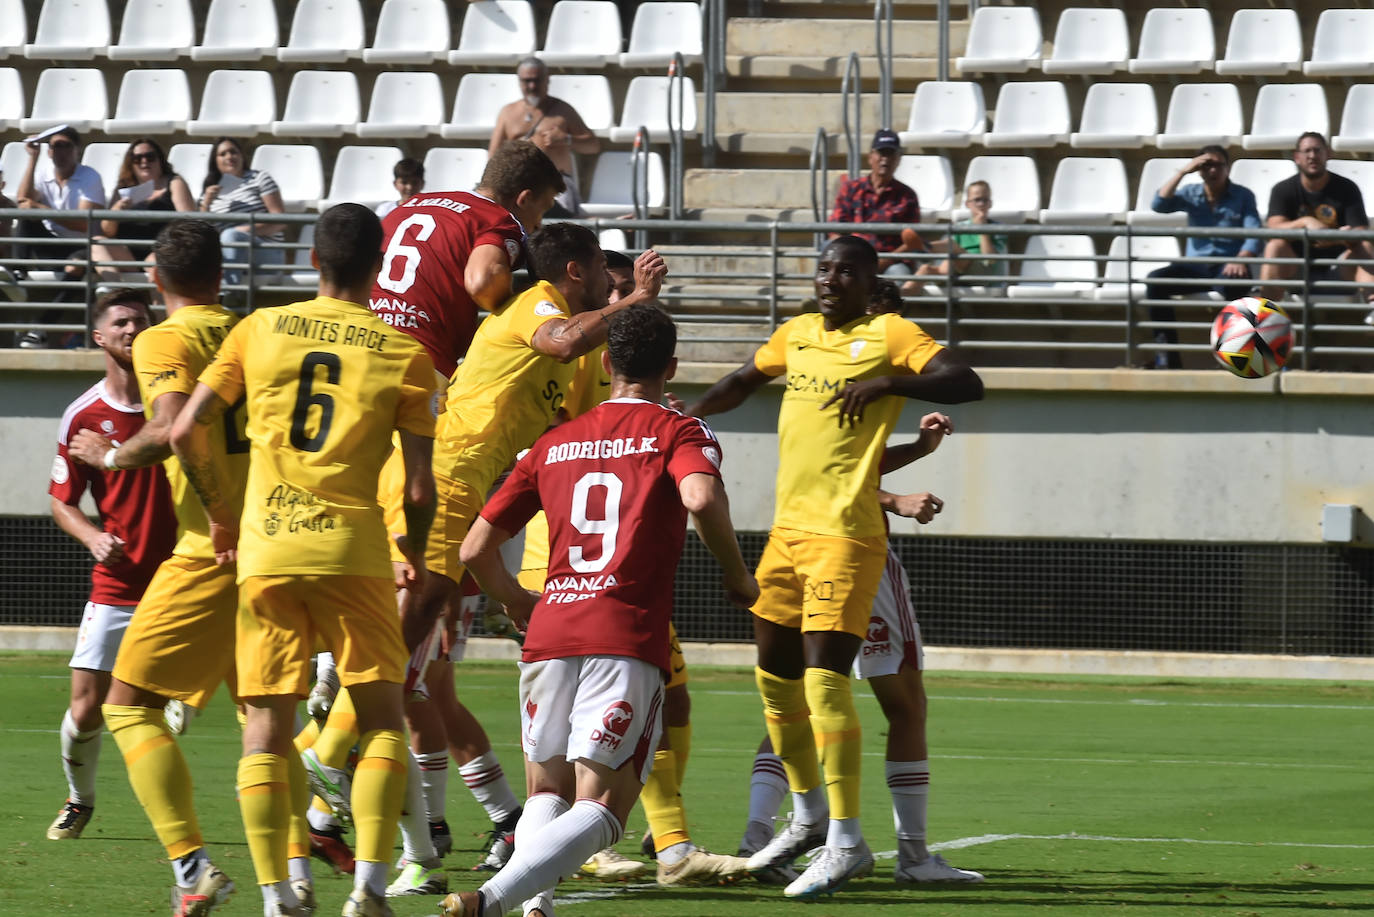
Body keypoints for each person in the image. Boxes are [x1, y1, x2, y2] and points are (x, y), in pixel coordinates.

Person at [683, 234, 983, 898]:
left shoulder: (891, 332)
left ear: (868, 279)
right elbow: (742, 380)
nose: (830, 278)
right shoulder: (794, 334)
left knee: (825, 684)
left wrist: (887, 381)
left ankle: (847, 840)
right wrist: (686, 414)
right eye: (824, 267)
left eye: (845, 270)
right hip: (785, 533)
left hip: (847, 538)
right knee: (775, 683)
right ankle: (811, 815)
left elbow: (967, 380)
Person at [439, 303, 759, 917]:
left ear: (606, 362)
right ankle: (496, 900)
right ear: (671, 366)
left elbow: (474, 547)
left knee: (545, 791)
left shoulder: (552, 442)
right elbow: (698, 494)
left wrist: (512, 599)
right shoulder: (679, 430)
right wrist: (736, 573)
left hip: (552, 626)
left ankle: (536, 909)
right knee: (606, 808)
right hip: (625, 631)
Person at [170, 202, 439, 917]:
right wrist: (410, 545)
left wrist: (223, 513)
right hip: (355, 552)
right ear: (379, 269)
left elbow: (185, 431)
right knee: (381, 719)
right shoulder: (404, 351)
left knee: (266, 726)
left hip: (266, 547)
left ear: (313, 260)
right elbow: (417, 486)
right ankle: (369, 890)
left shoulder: (258, 329)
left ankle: (276, 894)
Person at [364, 139, 565, 882]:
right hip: (432, 439)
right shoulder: (503, 246)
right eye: (541, 207)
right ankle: (468, 826)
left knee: (418, 680)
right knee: (415, 678)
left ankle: (434, 835)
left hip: (397, 416)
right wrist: (496, 306)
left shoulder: (413, 207)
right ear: (525, 198)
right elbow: (484, 281)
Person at [64, 221, 250, 917]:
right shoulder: (253, 331)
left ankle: (193, 865)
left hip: (210, 546)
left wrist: (109, 456)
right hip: (280, 542)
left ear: (155, 278)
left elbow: (175, 427)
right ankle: (311, 878)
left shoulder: (162, 339)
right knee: (267, 720)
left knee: (124, 704)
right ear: (222, 274)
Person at [46, 287, 176, 842]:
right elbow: (60, 500)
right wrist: (93, 537)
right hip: (119, 582)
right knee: (85, 710)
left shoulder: (174, 404)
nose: (132, 330)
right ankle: (80, 801)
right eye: (121, 322)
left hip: (183, 578)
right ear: (99, 337)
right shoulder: (83, 414)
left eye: (141, 321)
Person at [1146, 146, 1262, 369]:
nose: (1212, 170)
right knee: (1155, 282)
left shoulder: (1243, 195)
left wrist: (1241, 258)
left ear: (1227, 168)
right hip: (1195, 266)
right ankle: (1167, 358)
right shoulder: (1191, 192)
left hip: (1227, 266)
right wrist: (1183, 171)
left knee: (1236, 288)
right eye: (1206, 165)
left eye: (1218, 165)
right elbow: (1159, 204)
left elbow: (1254, 232)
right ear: (1199, 169)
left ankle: (1231, 358)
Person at [14, 125, 107, 347]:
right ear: (49, 151)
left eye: (66, 146)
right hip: (54, 244)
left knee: (75, 266)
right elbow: (21, 202)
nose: (60, 151)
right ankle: (18, 272)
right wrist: (32, 159)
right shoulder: (44, 174)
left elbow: (82, 223)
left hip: (84, 245)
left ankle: (42, 327)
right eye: (55, 146)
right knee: (26, 216)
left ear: (77, 150)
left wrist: (41, 208)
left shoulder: (89, 177)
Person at [1258, 132, 1374, 305]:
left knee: (1364, 245)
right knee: (1275, 245)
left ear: (1328, 154)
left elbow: (1361, 232)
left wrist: (1333, 237)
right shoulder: (1283, 189)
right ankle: (1263, 313)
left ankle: (1373, 305)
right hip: (1296, 267)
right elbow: (1274, 227)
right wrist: (1305, 223)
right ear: (1297, 157)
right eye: (1307, 151)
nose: (1312, 156)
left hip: (1339, 267)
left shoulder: (1347, 188)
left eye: (1317, 150)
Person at [488, 57, 601, 218]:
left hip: (555, 184)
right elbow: (494, 155)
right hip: (518, 184)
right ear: (519, 82)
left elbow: (593, 145)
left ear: (547, 80)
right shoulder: (508, 112)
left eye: (537, 80)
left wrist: (566, 139)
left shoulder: (563, 111)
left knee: (559, 225)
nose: (532, 86)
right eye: (527, 81)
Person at [89, 138, 197, 283]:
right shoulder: (123, 188)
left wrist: (166, 248)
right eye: (137, 158)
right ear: (131, 163)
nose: (144, 162)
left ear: (160, 160)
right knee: (96, 242)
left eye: (150, 157)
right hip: (128, 253)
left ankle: (157, 305)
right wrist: (116, 211)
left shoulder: (174, 182)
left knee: (157, 267)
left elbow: (188, 222)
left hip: (162, 250)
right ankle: (113, 290)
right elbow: (108, 232)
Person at [828, 129, 923, 276]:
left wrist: (883, 262)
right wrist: (850, 257)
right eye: (881, 153)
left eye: (890, 154)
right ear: (870, 157)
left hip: (891, 261)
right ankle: (824, 298)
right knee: (828, 252)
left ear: (898, 160)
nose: (885, 159)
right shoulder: (851, 189)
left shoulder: (907, 196)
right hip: (852, 256)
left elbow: (911, 241)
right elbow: (835, 230)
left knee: (900, 274)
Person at [199, 136, 287, 288]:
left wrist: (243, 231)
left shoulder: (259, 178)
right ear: (215, 161)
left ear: (241, 156)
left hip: (266, 252)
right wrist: (206, 203)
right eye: (223, 154)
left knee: (231, 236)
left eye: (234, 152)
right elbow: (202, 231)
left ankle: (230, 296)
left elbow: (280, 221)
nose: (229, 157)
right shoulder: (210, 191)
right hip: (227, 254)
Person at [905, 180, 1008, 290]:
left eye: (985, 200)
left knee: (952, 247)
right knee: (925, 269)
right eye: (977, 200)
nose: (981, 204)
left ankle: (926, 249)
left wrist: (982, 229)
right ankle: (898, 298)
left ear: (990, 204)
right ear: (967, 204)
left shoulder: (997, 228)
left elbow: (990, 260)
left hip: (985, 275)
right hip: (957, 273)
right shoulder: (960, 227)